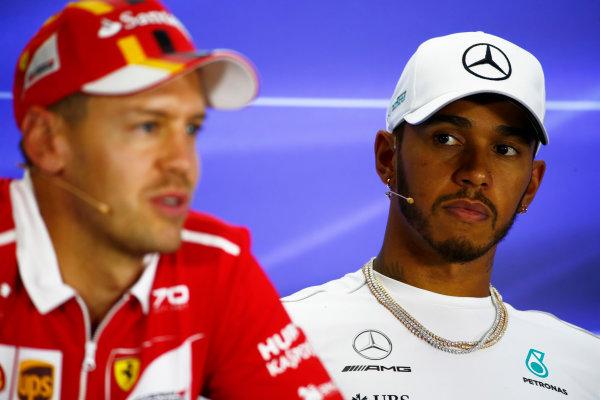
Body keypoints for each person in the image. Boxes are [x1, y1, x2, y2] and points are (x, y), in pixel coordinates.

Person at [0, 1, 343, 399]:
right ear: (47, 142)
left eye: (191, 128)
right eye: (148, 126)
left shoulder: (215, 264)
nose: (183, 163)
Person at [283, 31, 600, 399]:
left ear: (531, 185)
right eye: (447, 138)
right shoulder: (286, 339)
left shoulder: (586, 366)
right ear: (388, 158)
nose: (477, 173)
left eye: (504, 148)